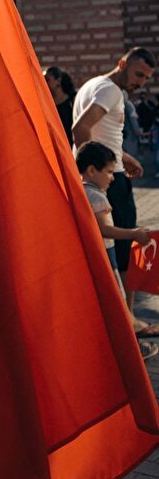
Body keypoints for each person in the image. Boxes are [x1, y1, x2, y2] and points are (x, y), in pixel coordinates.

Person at [72, 48, 156, 321]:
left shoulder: (93, 84)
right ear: (122, 64)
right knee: (126, 246)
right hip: (110, 179)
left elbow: (100, 134)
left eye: (146, 78)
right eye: (138, 74)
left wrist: (123, 156)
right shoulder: (112, 91)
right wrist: (98, 168)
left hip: (109, 172)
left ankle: (124, 317)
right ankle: (129, 319)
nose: (141, 82)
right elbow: (81, 129)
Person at [76, 140, 158, 361]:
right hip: (107, 256)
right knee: (118, 304)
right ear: (92, 171)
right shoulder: (97, 196)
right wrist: (134, 234)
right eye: (110, 172)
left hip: (92, 256)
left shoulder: (79, 190)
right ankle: (129, 353)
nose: (113, 177)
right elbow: (105, 230)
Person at [43, 65, 76, 145]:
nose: (44, 83)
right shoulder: (45, 103)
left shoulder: (73, 100)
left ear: (58, 80)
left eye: (47, 80)